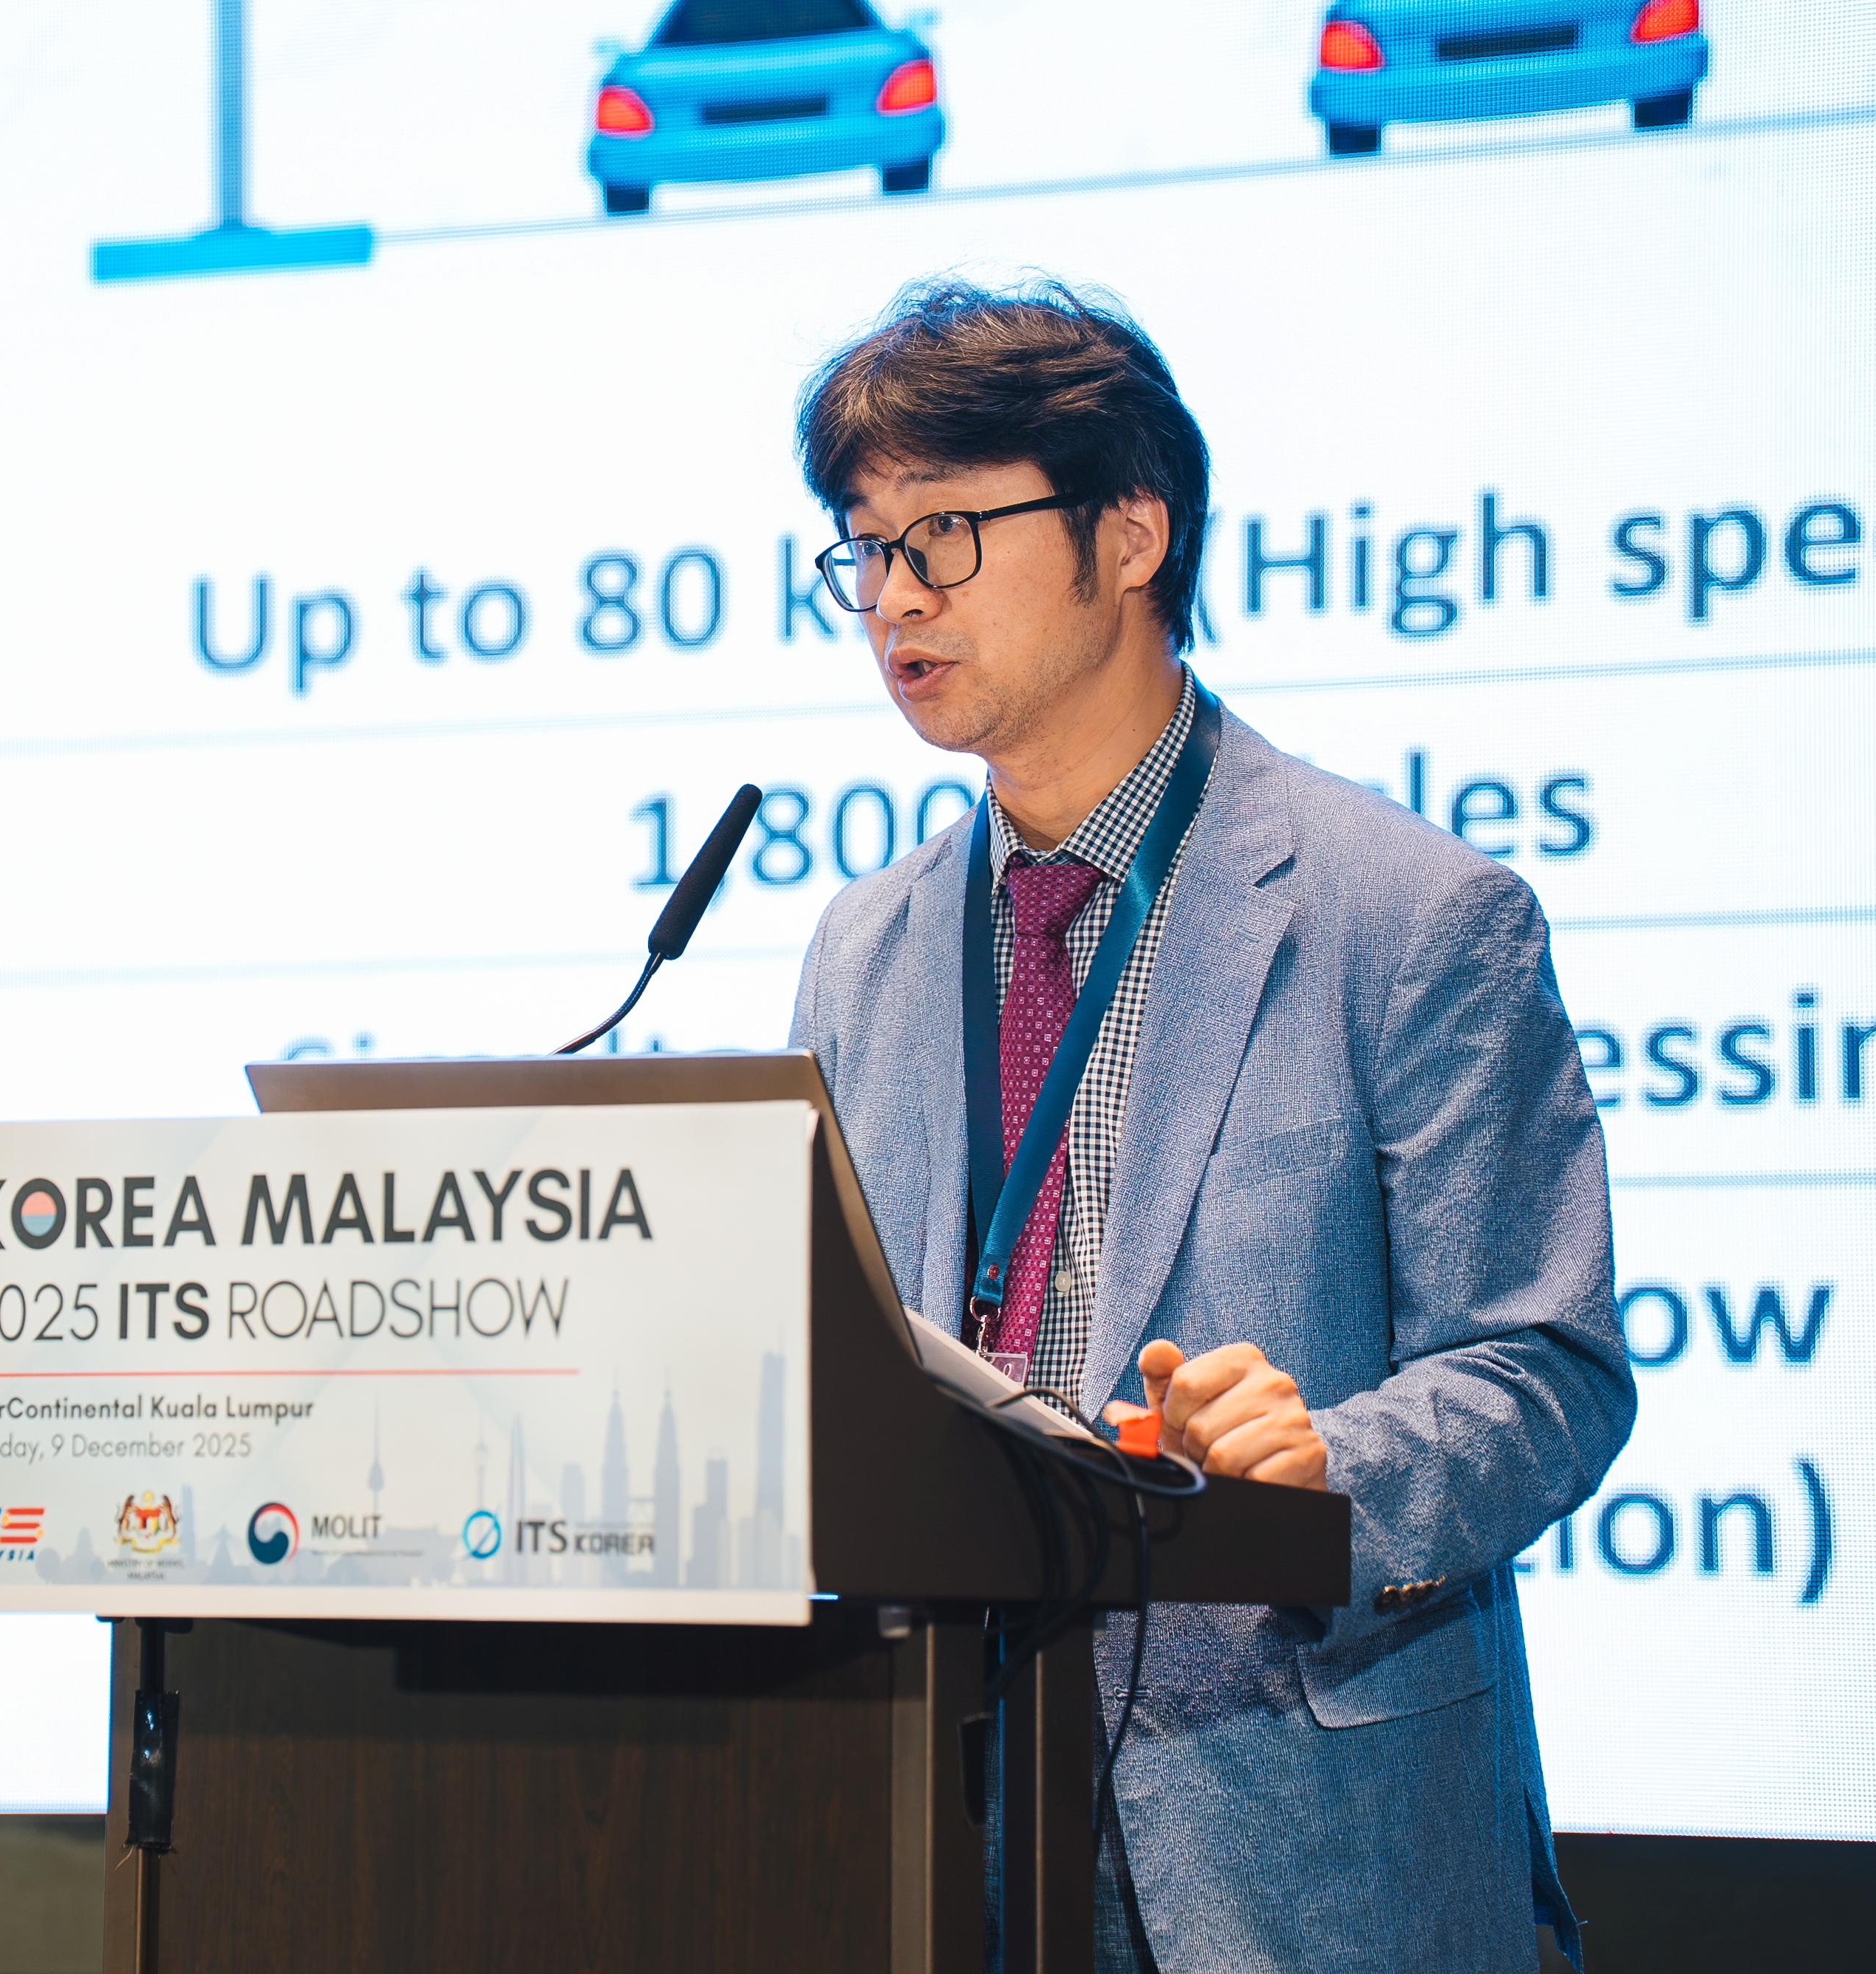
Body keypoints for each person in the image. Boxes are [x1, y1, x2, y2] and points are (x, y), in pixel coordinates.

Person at [786, 278, 1636, 1973]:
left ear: (1129, 534)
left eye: (943, 536)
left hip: (1299, 1849)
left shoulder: (1409, 913)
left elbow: (1548, 1368)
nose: (895, 599)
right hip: (933, 1826)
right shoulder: (863, 950)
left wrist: (1331, 1466)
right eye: (865, 551)